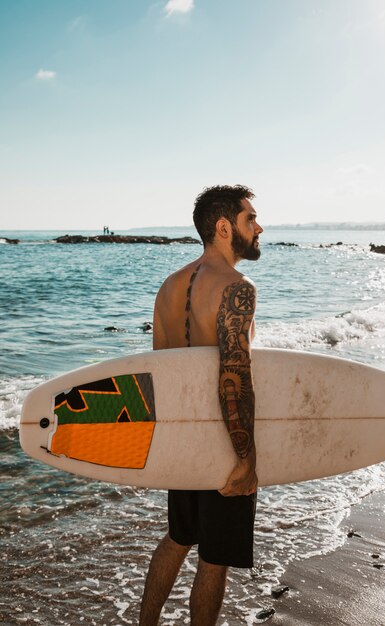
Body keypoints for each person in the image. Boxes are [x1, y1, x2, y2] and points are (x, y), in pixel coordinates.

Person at [138, 184, 263, 626]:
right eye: (251, 219)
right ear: (225, 227)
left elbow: (161, 376)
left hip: (181, 441)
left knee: (177, 538)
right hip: (222, 444)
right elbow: (234, 377)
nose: (259, 227)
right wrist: (246, 458)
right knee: (214, 559)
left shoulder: (168, 287)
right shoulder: (237, 288)